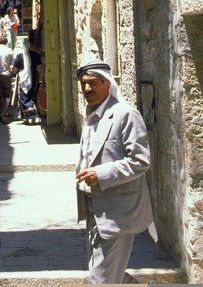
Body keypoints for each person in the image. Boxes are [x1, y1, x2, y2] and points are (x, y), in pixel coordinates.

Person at [75, 59, 154, 283]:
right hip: (95, 209)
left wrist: (100, 174)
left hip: (117, 212)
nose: (87, 89)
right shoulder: (90, 115)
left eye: (92, 83)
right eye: (83, 84)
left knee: (101, 279)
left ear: (107, 83)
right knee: (106, 274)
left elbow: (140, 160)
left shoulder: (125, 114)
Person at [11, 30, 43, 124]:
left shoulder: (20, 57)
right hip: (34, 79)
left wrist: (13, 70)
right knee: (32, 96)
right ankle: (30, 116)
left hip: (24, 81)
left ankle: (32, 116)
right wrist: (42, 79)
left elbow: (15, 69)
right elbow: (40, 68)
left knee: (24, 98)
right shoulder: (34, 55)